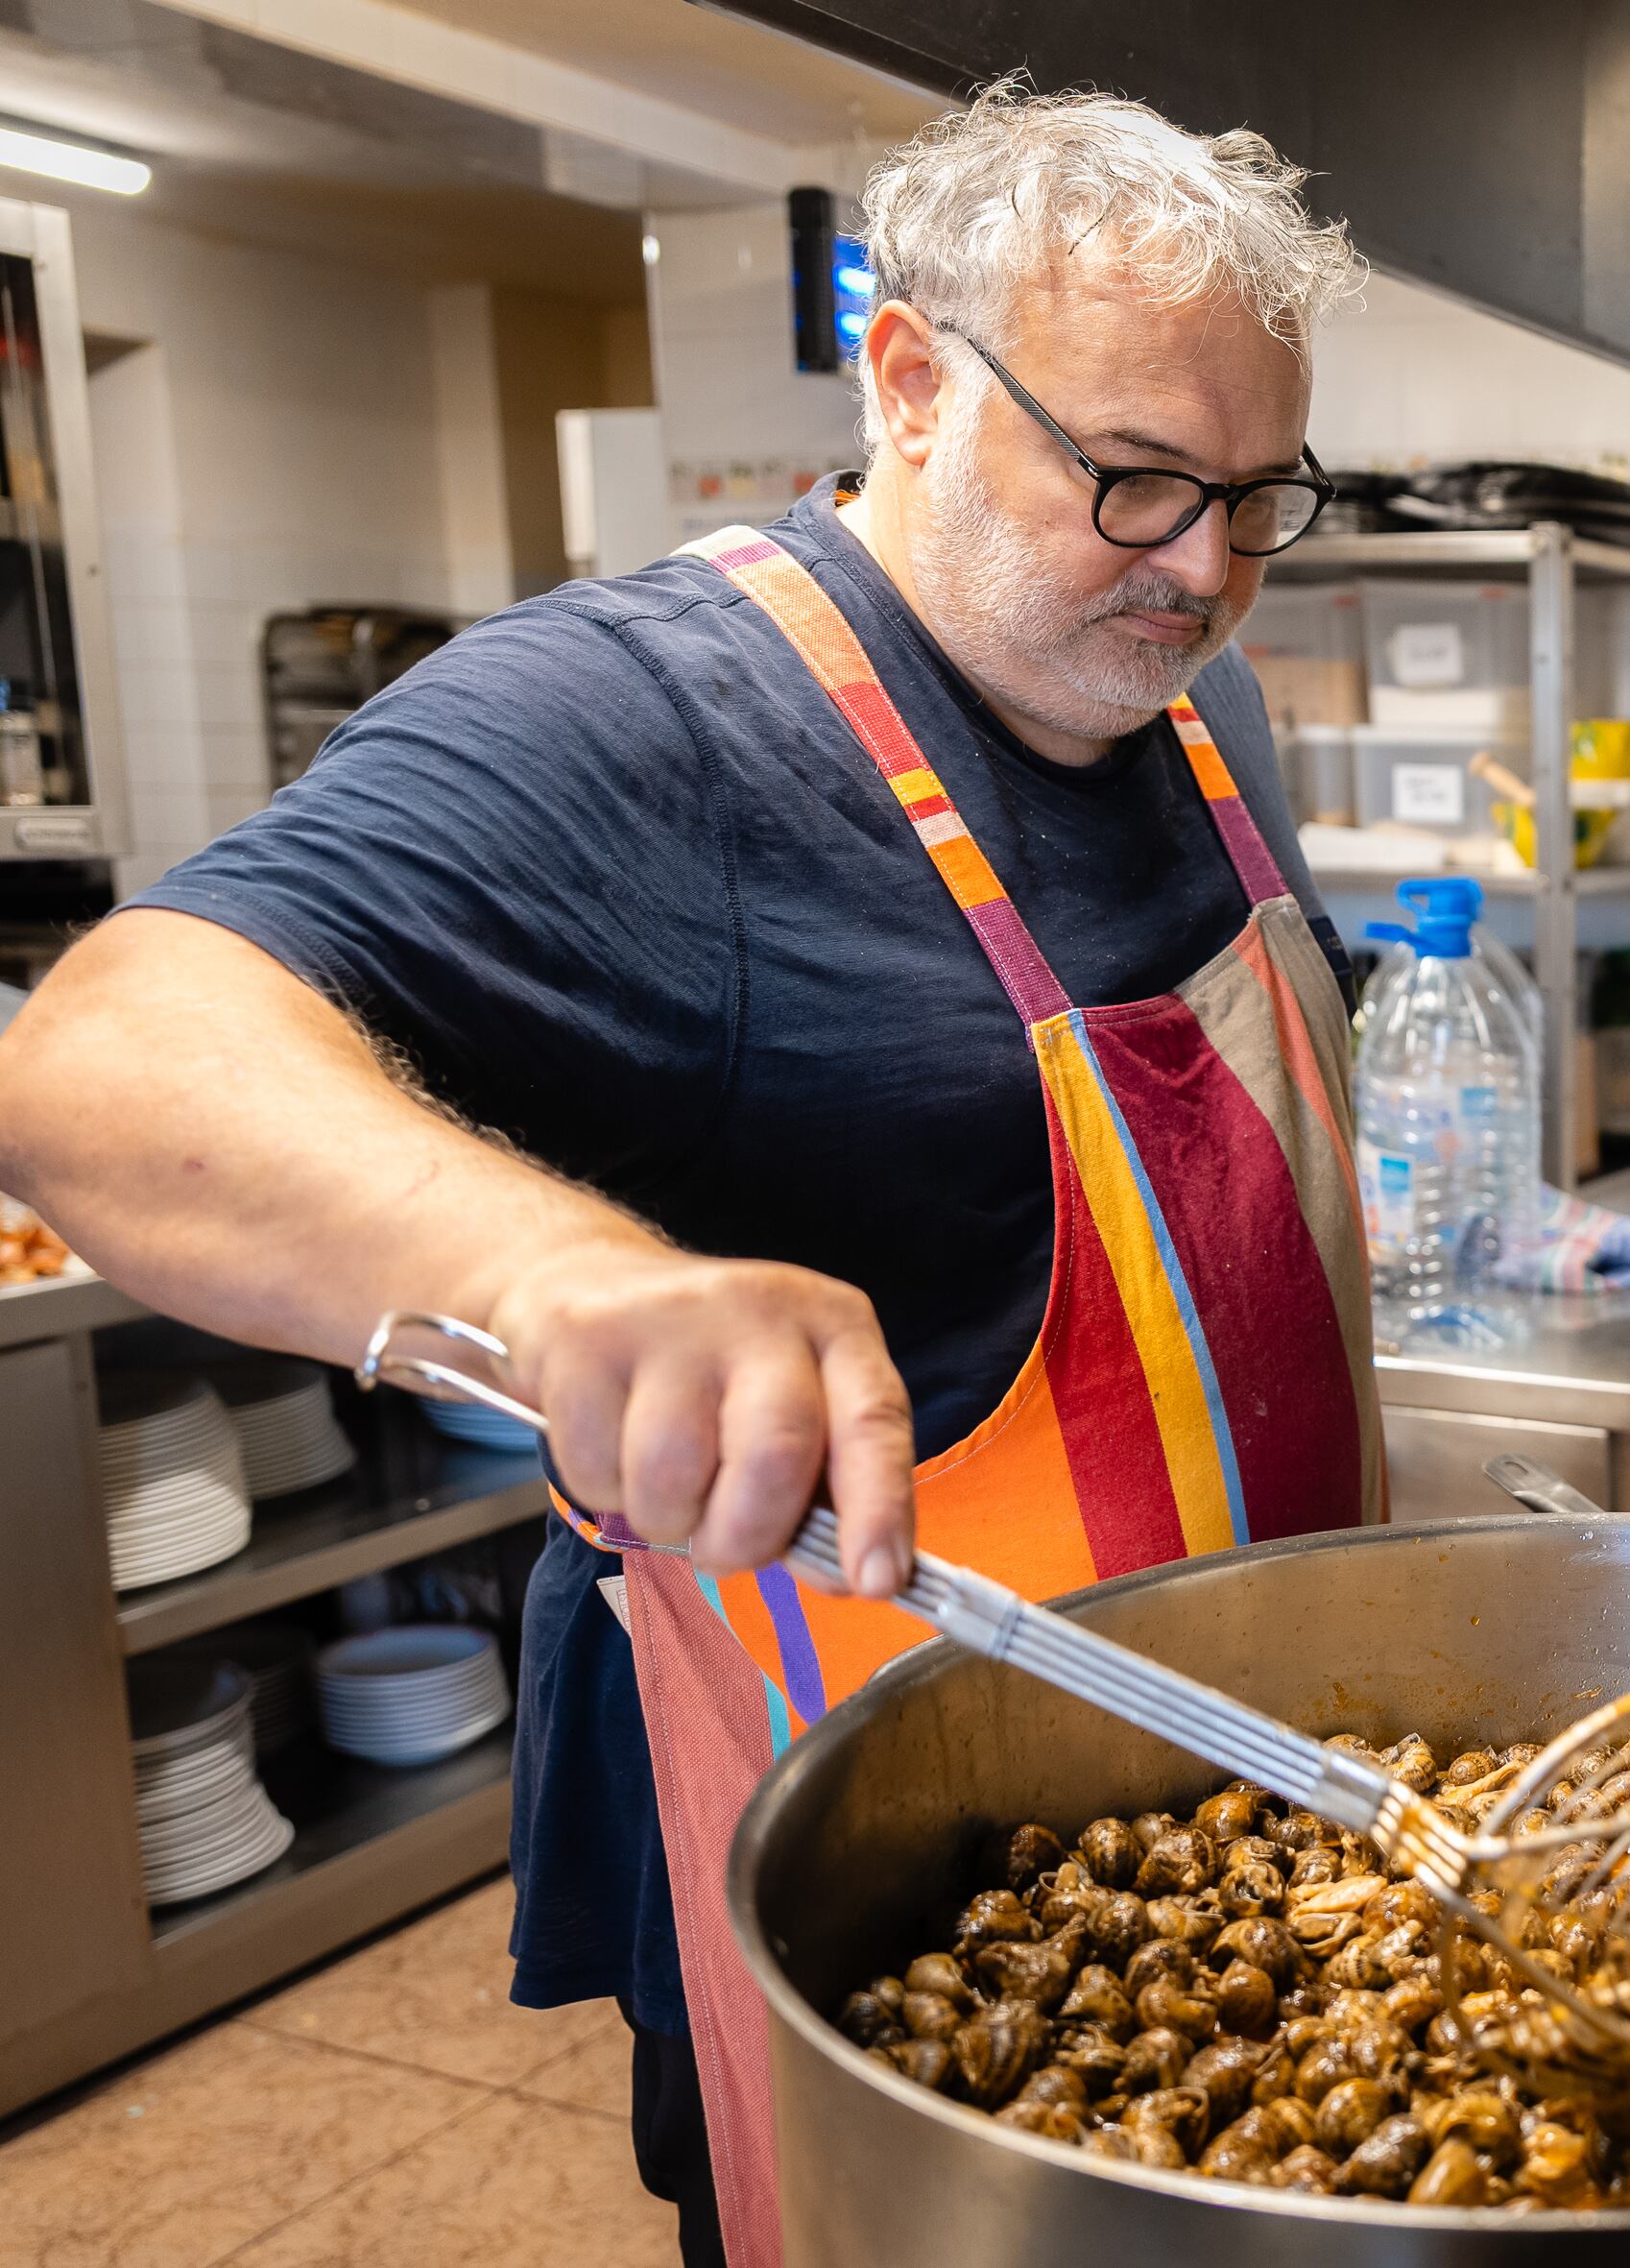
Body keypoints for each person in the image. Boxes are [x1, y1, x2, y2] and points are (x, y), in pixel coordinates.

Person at [0, 85, 1380, 2268]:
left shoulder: (1201, 713)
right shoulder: (648, 716)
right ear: (912, 381)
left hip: (1244, 1773)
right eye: (1129, 476)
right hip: (875, 1827)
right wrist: (556, 1271)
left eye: (1253, 495)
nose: (1203, 565)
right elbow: (102, 1053)